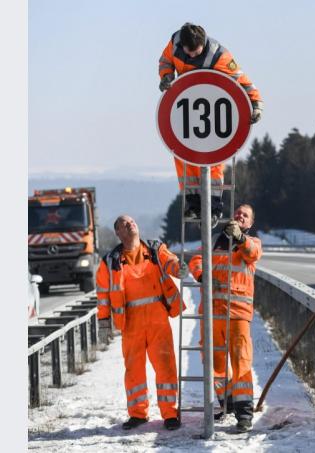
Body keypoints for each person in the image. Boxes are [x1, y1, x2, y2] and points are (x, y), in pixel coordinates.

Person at [158, 23, 264, 222]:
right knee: (181, 156)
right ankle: (192, 203)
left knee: (213, 163)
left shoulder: (219, 56)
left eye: (194, 53)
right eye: (187, 53)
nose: (190, 56)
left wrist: (256, 104)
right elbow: (165, 61)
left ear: (203, 44)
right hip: (185, 109)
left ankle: (214, 206)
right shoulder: (175, 42)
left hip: (213, 114)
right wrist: (166, 77)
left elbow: (243, 81)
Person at [96, 215, 187, 431]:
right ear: (118, 233)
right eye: (124, 224)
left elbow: (170, 261)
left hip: (157, 318)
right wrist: (103, 322)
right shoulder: (110, 262)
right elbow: (102, 295)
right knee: (134, 370)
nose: (130, 224)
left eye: (132, 221)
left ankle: (170, 414)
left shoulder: (155, 249)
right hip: (131, 323)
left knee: (165, 366)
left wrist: (178, 269)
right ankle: (138, 414)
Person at [189, 204, 262, 433]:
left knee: (241, 362)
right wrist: (201, 274)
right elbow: (197, 259)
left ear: (249, 224)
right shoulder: (214, 241)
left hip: (238, 313)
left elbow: (252, 254)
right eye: (238, 213)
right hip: (213, 312)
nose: (240, 215)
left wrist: (240, 238)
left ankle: (244, 414)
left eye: (245, 215)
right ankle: (226, 402)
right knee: (214, 363)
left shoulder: (252, 242)